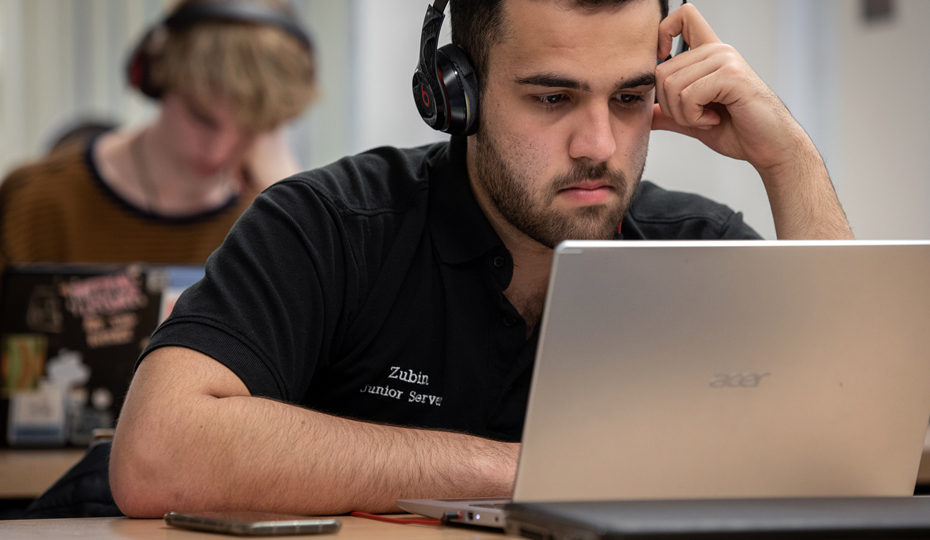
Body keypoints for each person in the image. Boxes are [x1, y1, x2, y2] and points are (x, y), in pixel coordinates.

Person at [110, 0, 853, 518]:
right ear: (454, 96)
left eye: (630, 99)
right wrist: (530, 473)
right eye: (553, 98)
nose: (599, 143)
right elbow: (158, 452)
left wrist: (784, 158)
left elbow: (850, 447)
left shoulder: (695, 248)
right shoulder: (333, 224)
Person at [0, 0, 317, 268]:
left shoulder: (272, 221)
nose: (217, 150)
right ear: (152, 78)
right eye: (200, 117)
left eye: (249, 128)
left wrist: (290, 203)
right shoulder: (37, 202)